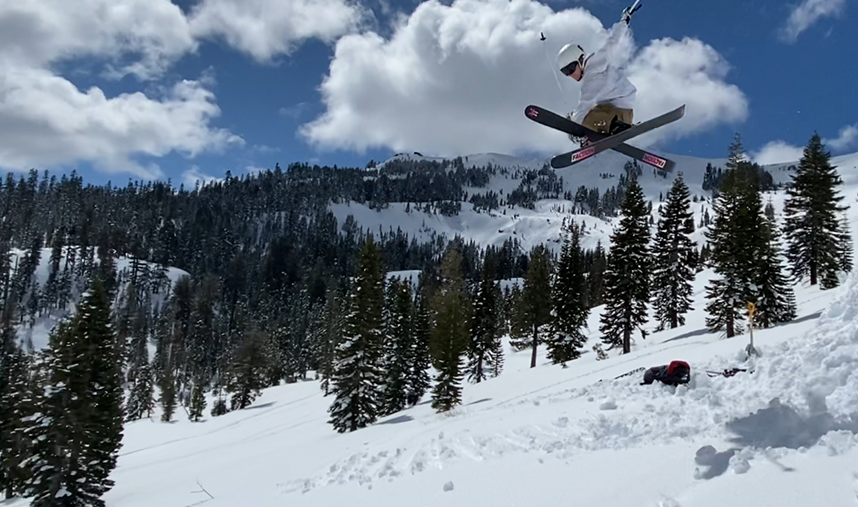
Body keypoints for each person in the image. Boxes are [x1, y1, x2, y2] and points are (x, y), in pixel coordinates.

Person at [556, 6, 639, 147]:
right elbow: (613, 42)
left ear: (580, 60)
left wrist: (575, 127)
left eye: (571, 68)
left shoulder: (591, 75)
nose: (571, 74)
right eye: (566, 72)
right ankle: (612, 128)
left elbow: (584, 105)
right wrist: (624, 22)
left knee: (586, 117)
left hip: (619, 113)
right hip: (621, 111)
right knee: (588, 112)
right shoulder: (598, 59)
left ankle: (612, 128)